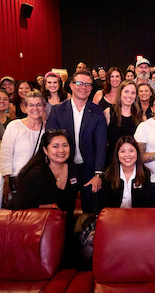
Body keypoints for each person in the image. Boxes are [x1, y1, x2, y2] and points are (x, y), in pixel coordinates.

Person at [46, 71, 107, 214]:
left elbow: (101, 144)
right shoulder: (58, 110)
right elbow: (51, 141)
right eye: (80, 83)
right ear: (72, 86)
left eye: (88, 85)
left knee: (90, 212)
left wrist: (98, 174)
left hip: (89, 170)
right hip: (64, 167)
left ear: (91, 88)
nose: (83, 87)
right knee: (63, 212)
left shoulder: (97, 111)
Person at [11, 129, 79, 224]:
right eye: (55, 146)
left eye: (65, 145)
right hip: (36, 226)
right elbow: (19, 205)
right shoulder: (35, 174)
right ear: (45, 150)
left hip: (65, 226)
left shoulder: (73, 169)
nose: (61, 150)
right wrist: (46, 207)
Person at [0, 90, 46, 202]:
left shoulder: (49, 128)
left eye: (39, 105)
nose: (35, 108)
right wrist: (5, 181)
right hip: (17, 179)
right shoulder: (14, 126)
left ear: (44, 106)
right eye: (31, 105)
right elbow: (5, 155)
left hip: (41, 179)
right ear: (25, 107)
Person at [96, 136, 152, 214]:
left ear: (137, 152)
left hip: (138, 218)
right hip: (113, 219)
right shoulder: (109, 174)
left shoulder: (145, 174)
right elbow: (104, 205)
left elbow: (147, 205)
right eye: (122, 151)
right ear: (117, 154)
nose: (127, 155)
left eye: (131, 150)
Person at [104, 81, 141, 165]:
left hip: (133, 163)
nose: (129, 95)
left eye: (133, 93)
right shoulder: (109, 112)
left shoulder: (140, 116)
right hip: (112, 163)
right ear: (120, 93)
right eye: (126, 91)